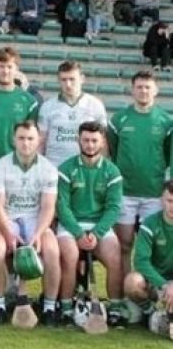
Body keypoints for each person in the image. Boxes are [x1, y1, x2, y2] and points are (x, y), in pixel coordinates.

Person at [0, 121, 60, 325]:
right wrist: (8, 233)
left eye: (30, 139)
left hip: (35, 219)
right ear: (14, 140)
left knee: (52, 251)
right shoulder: (0, 166)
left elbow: (48, 207)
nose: (25, 143)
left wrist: (37, 234)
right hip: (8, 218)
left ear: (39, 141)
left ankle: (49, 307)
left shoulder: (48, 169)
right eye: (21, 138)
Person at [57, 121, 124, 326]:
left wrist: (97, 233)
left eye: (94, 140)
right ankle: (67, 308)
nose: (90, 145)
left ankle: (115, 307)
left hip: (98, 226)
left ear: (103, 142)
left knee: (114, 257)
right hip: (72, 226)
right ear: (79, 140)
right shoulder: (66, 168)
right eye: (85, 140)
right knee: (70, 255)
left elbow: (113, 208)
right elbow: (62, 207)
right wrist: (78, 234)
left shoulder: (112, 172)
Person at [108, 71, 173, 280]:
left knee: (152, 246)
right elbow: (113, 150)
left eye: (147, 87)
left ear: (156, 90)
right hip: (125, 193)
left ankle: (151, 290)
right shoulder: (119, 119)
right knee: (125, 244)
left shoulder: (166, 121)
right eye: (139, 87)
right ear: (132, 89)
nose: (143, 91)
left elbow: (168, 155)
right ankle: (130, 291)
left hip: (154, 193)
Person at [125, 181, 173, 332]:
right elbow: (140, 261)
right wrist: (164, 285)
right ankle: (151, 313)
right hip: (154, 282)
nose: (172, 206)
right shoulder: (150, 223)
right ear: (161, 200)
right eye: (169, 201)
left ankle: (166, 318)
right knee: (132, 282)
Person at [38, 61, 107, 167]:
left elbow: (103, 141)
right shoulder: (47, 106)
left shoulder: (95, 105)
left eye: (72, 79)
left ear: (82, 79)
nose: (68, 84)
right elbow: (41, 141)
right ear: (58, 80)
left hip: (85, 169)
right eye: (64, 80)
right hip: (55, 167)